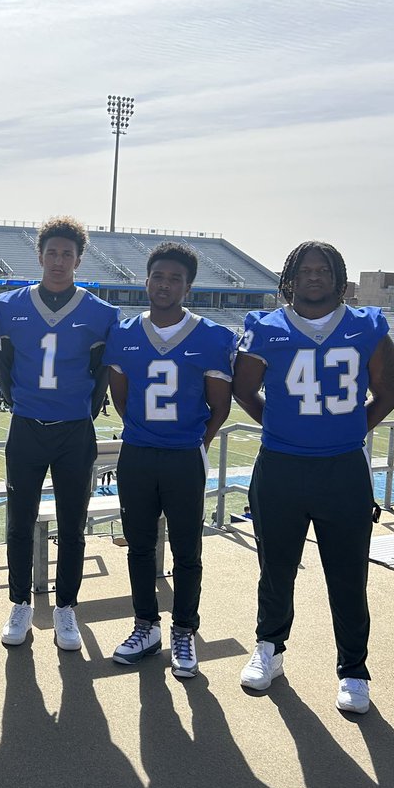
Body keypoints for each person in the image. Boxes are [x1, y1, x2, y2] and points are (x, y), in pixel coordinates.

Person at [232, 240, 394, 715]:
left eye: (323, 269)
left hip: (342, 468)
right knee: (276, 566)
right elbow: (245, 389)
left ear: (338, 276)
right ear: (290, 277)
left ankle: (353, 670)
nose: (313, 276)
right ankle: (270, 647)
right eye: (304, 270)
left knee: (348, 574)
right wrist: (285, 429)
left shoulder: (366, 327)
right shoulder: (264, 328)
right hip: (281, 467)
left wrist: (347, 431)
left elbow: (388, 391)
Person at [105, 242, 236, 678]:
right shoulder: (124, 333)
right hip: (139, 454)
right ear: (146, 280)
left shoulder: (213, 336)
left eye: (175, 278)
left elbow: (220, 407)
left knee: (187, 549)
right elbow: (120, 398)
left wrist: (192, 442)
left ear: (188, 286)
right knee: (139, 545)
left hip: (184, 457)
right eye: (158, 276)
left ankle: (184, 630)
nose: (165, 285)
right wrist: (147, 433)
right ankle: (146, 625)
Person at [0, 216, 117, 651]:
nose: (59, 260)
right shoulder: (9, 304)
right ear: (40, 255)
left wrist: (76, 410)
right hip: (27, 427)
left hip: (74, 432)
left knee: (73, 523)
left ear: (79, 259)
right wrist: (21, 403)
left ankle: (66, 606)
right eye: (53, 252)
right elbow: (4, 367)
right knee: (18, 522)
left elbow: (101, 374)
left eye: (68, 253)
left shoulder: (101, 313)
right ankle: (20, 602)